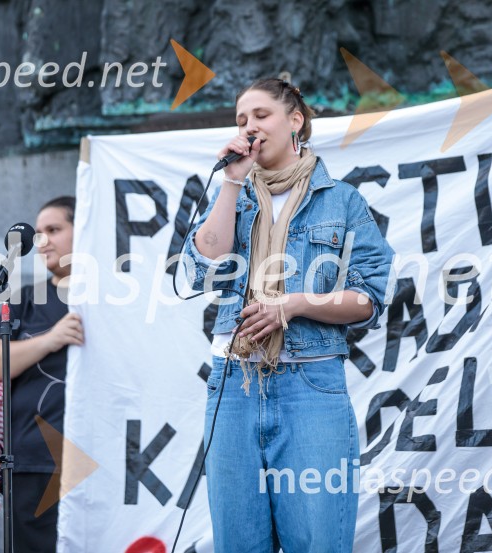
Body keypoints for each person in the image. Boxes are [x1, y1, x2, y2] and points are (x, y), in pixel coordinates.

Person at [182, 78, 394, 552]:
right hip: (232, 385)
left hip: (310, 384)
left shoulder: (342, 201)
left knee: (316, 539)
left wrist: (294, 305)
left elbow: (369, 298)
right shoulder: (234, 194)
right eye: (240, 120)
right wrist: (232, 180)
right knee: (239, 542)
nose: (249, 127)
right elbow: (202, 265)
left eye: (260, 115)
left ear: (295, 121)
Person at [0, 196, 82, 552]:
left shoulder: (110, 296)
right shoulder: (26, 297)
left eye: (54, 230)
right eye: (38, 233)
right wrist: (50, 340)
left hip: (95, 455)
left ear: (82, 230)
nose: (43, 241)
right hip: (32, 458)